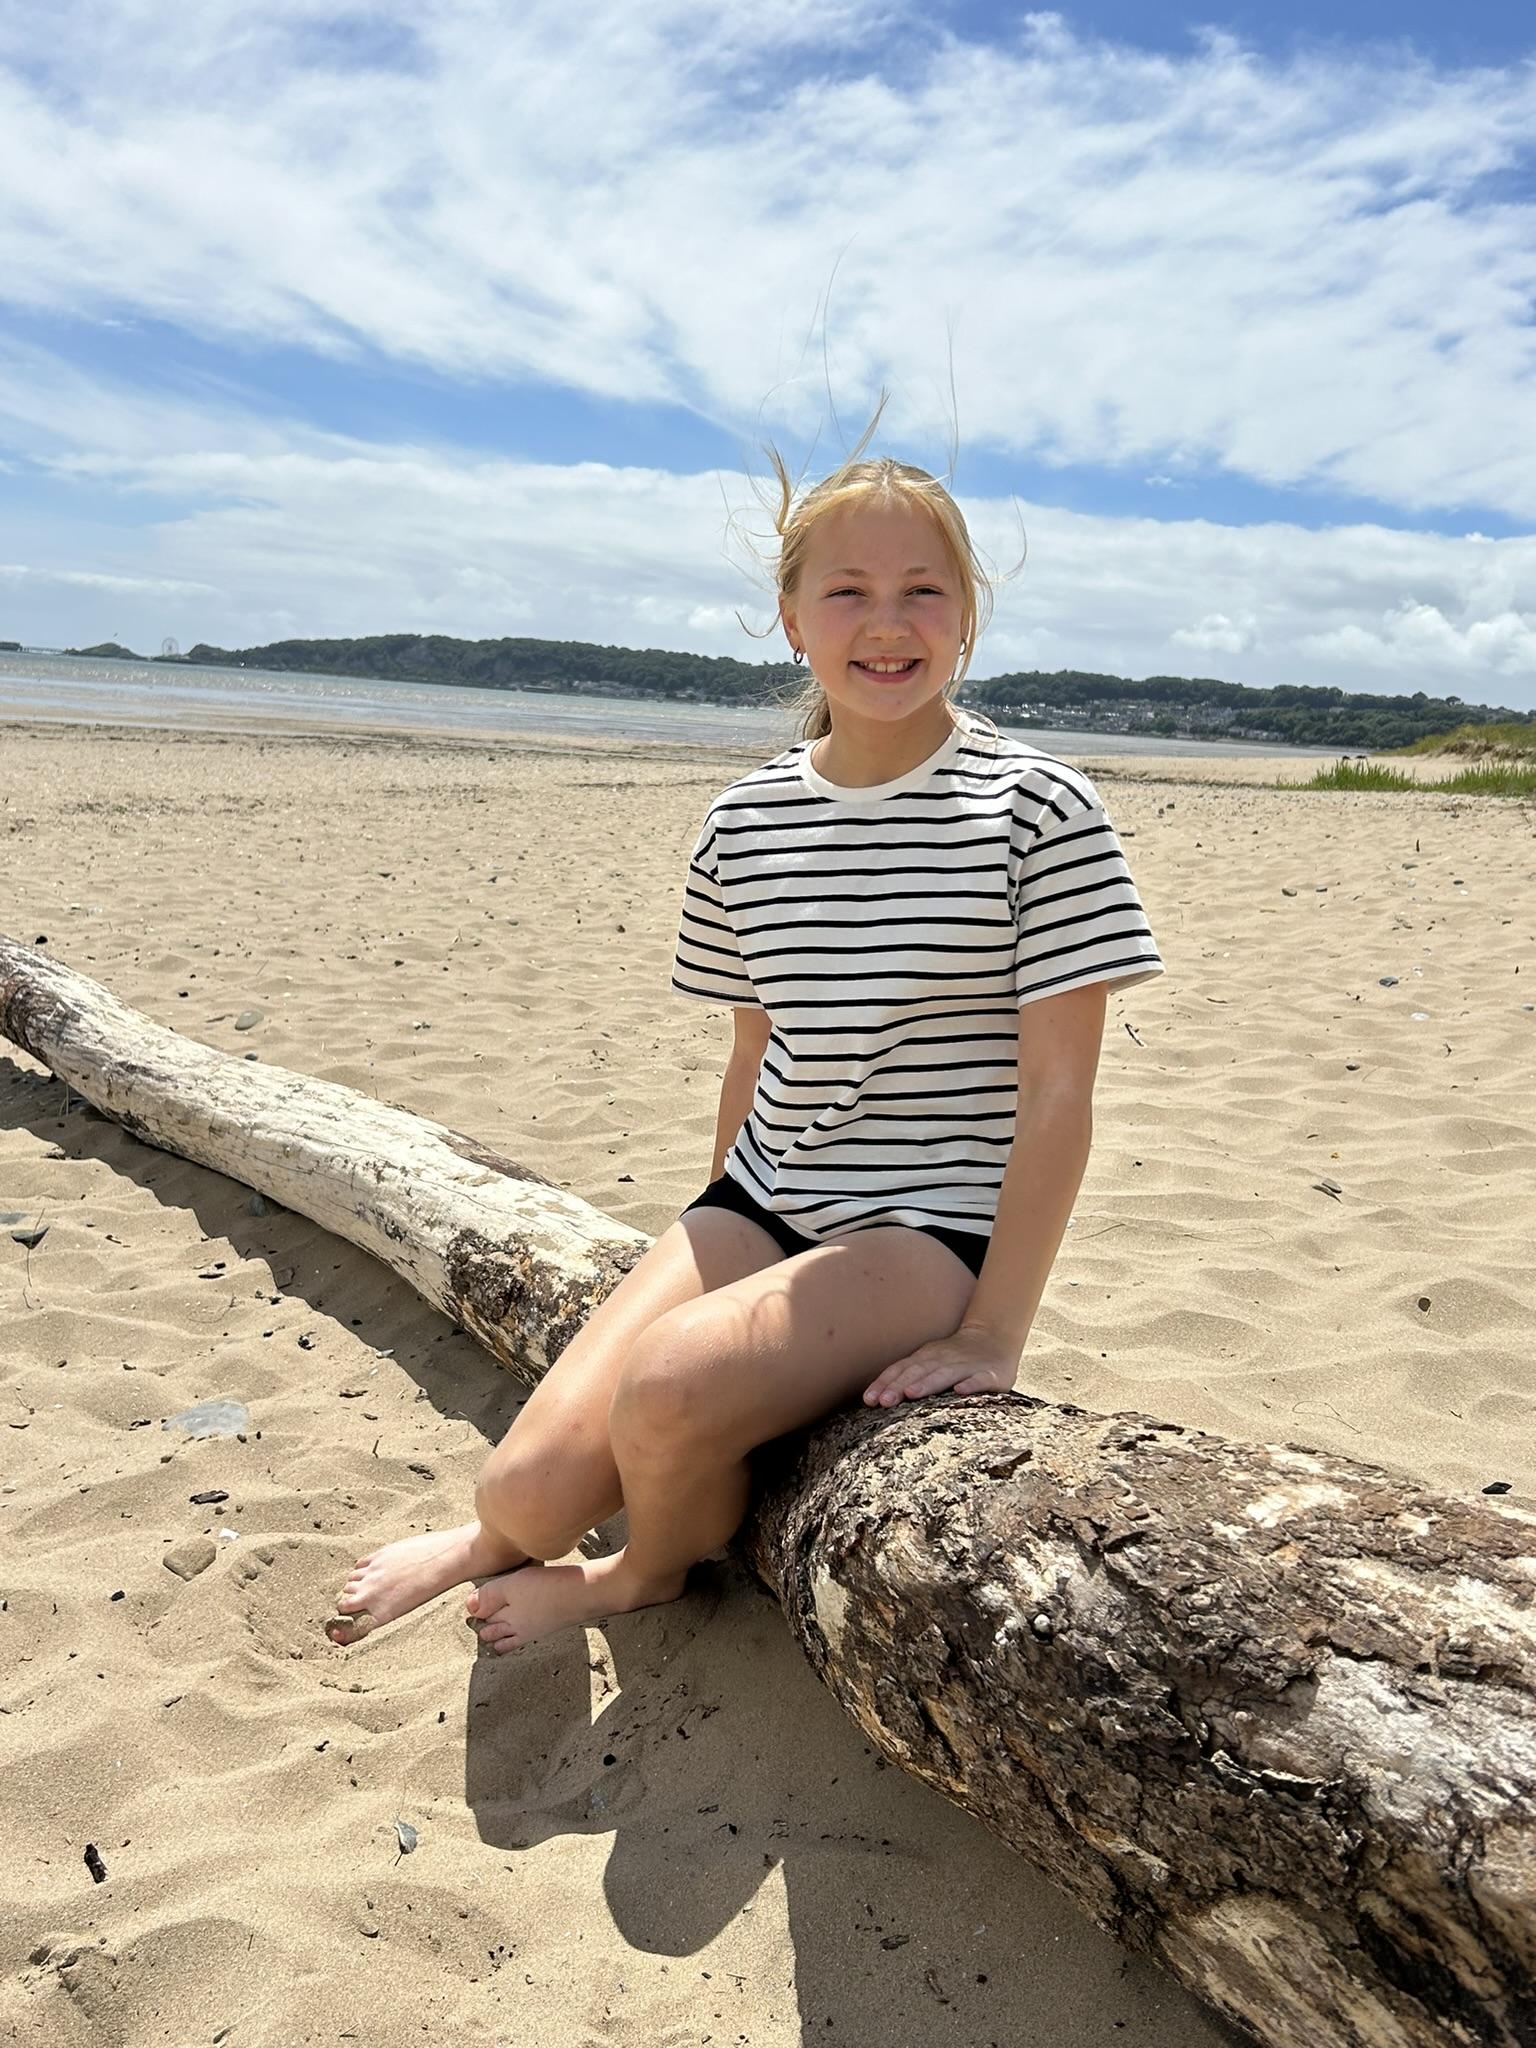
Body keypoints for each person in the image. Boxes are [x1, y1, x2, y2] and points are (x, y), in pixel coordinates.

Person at [325, 430, 1164, 1654]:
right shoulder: (746, 819)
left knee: (670, 1385)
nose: (889, 622)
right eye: (849, 591)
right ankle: (493, 1535)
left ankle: (640, 1574)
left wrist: (994, 1329)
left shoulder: (1037, 807)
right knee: (522, 1489)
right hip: (766, 1193)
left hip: (931, 1221)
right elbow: (756, 1050)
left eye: (924, 589)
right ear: (792, 620)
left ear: (968, 615)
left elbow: (1058, 1094)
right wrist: (721, 1233)